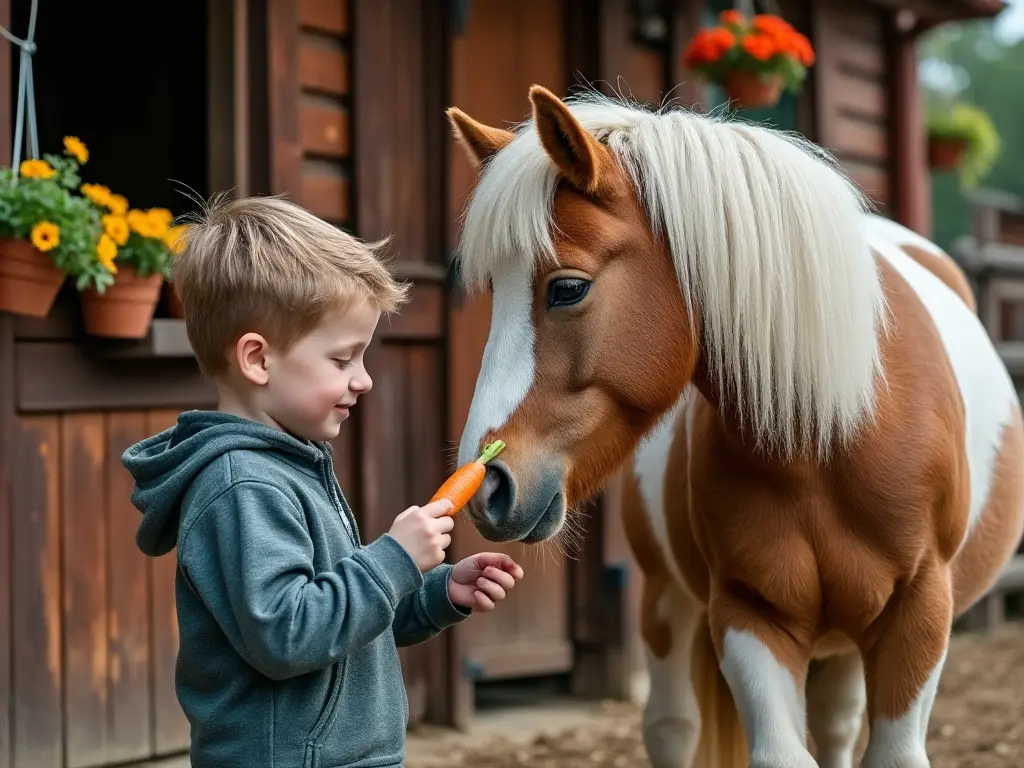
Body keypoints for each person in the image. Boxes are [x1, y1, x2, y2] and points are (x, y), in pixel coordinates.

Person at [122, 194, 524, 768]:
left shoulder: (292, 465)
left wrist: (434, 594)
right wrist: (393, 561)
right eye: (343, 359)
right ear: (258, 360)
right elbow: (289, 635)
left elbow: (340, 630)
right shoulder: (243, 488)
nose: (363, 380)